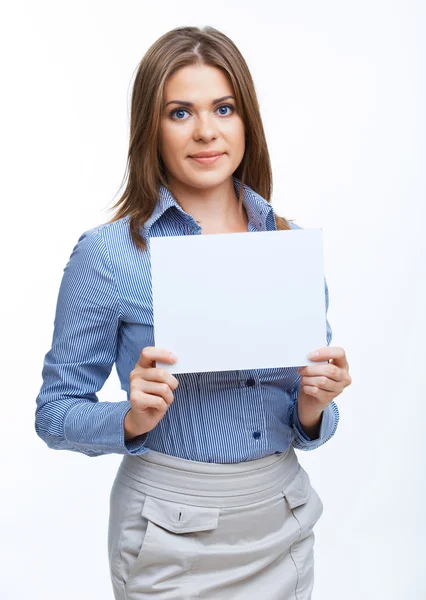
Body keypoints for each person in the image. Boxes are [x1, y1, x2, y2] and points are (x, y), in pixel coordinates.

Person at [34, 25, 352, 600]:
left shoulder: (287, 243)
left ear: (246, 120)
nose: (206, 131)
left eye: (223, 108)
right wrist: (130, 420)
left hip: (281, 518)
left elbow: (311, 423)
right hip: (168, 533)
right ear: (149, 129)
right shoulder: (108, 255)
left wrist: (314, 406)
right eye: (180, 112)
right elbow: (54, 415)